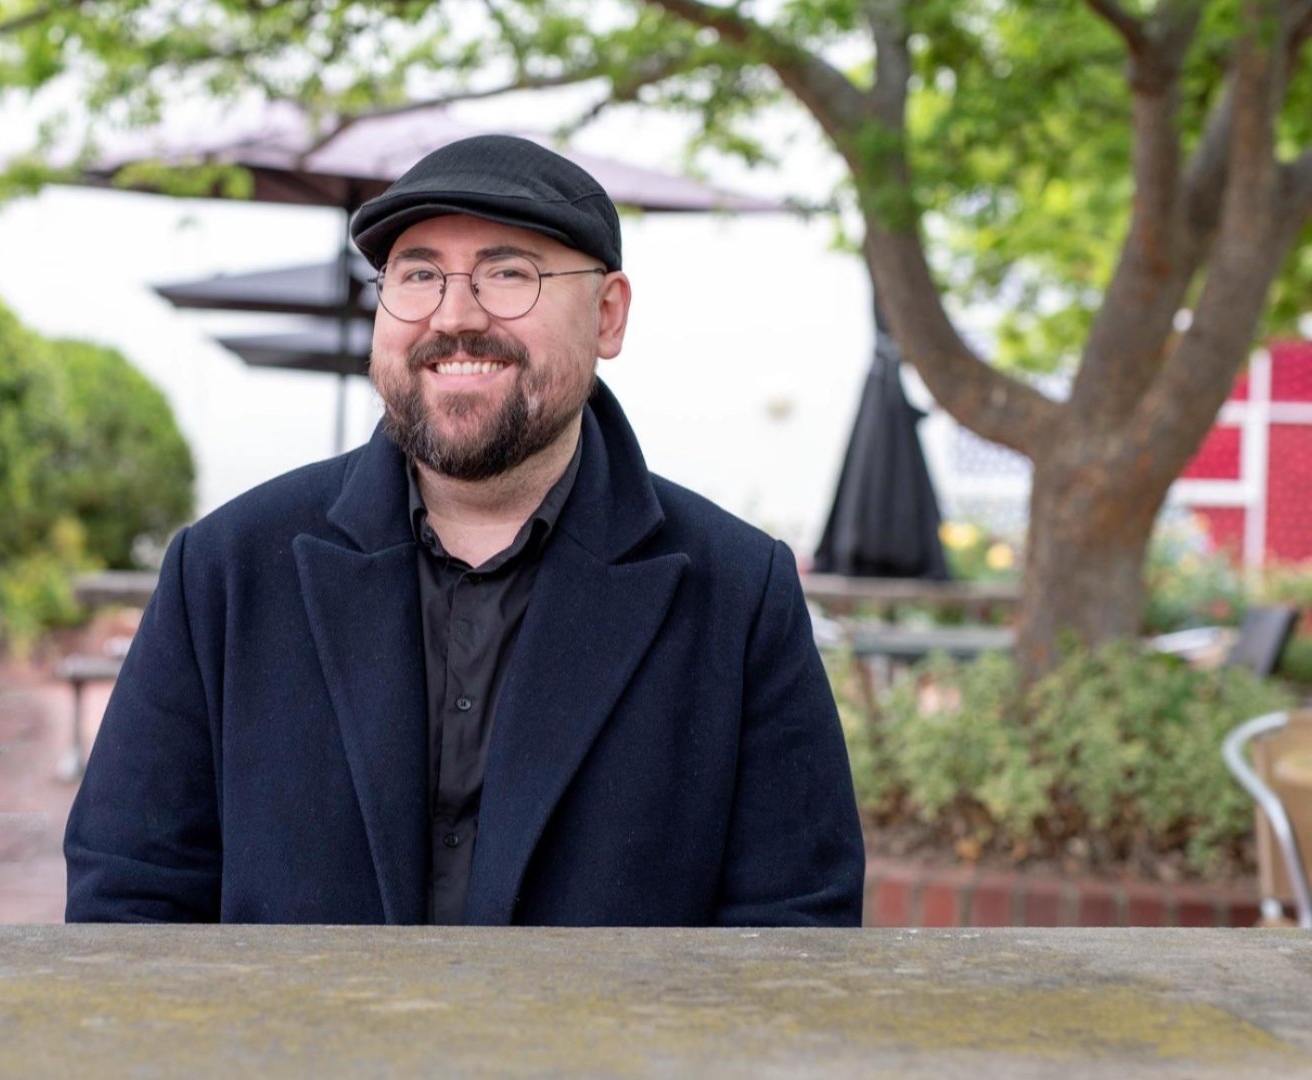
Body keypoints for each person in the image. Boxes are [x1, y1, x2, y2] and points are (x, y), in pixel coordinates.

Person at [64, 134, 864, 926]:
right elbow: (128, 899)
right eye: (417, 275)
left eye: (507, 273)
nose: (453, 316)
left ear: (609, 315)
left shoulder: (737, 592)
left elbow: (796, 929)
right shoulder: (225, 571)